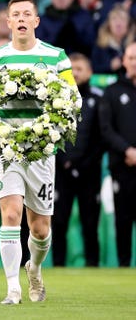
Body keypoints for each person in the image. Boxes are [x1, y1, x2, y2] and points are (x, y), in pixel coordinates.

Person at [0, 0, 79, 304]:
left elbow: (72, 98)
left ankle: (33, 268)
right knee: (10, 214)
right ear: (8, 22)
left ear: (35, 21)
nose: (21, 19)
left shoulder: (56, 56)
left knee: (40, 227)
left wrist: (52, 129)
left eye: (27, 14)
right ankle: (12, 288)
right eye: (16, 15)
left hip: (41, 151)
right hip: (6, 150)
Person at [52, 53, 104, 266]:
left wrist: (83, 164)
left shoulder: (97, 100)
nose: (74, 73)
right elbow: (50, 134)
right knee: (59, 223)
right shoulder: (54, 100)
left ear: (89, 72)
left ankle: (93, 266)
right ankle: (57, 267)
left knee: (90, 223)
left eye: (79, 69)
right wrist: (64, 162)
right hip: (61, 174)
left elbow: (101, 138)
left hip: (89, 173)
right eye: (71, 69)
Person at [98, 42, 136, 267]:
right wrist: (127, 150)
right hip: (122, 165)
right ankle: (123, 265)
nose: (134, 62)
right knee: (123, 218)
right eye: (130, 58)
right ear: (123, 61)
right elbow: (106, 129)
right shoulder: (112, 91)